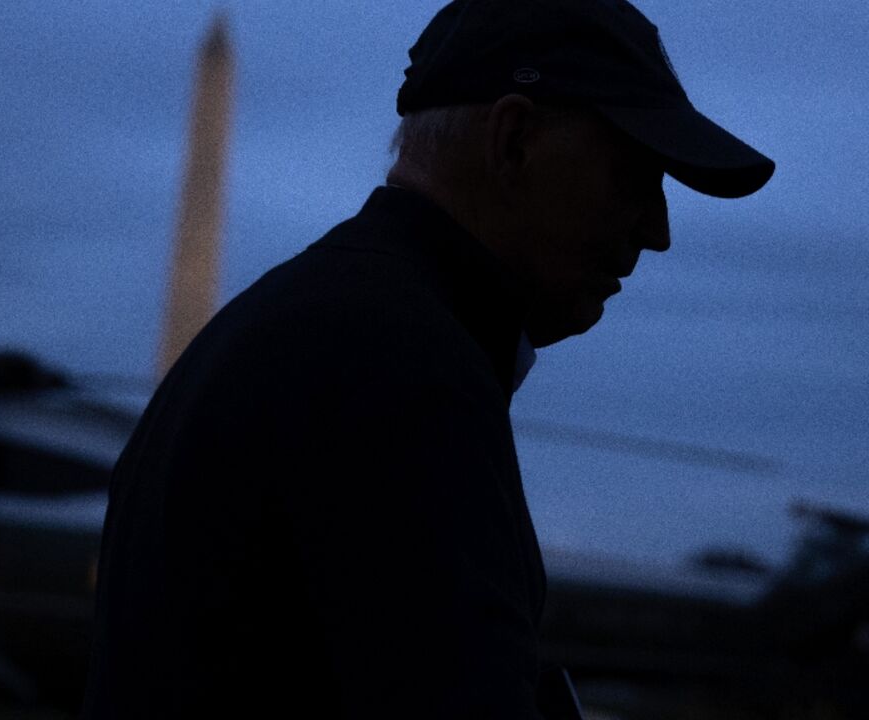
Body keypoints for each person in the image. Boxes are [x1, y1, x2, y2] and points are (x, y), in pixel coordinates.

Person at [82, 0, 774, 717]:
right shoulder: (398, 377)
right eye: (633, 176)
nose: (658, 232)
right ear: (512, 142)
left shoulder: (299, 325)